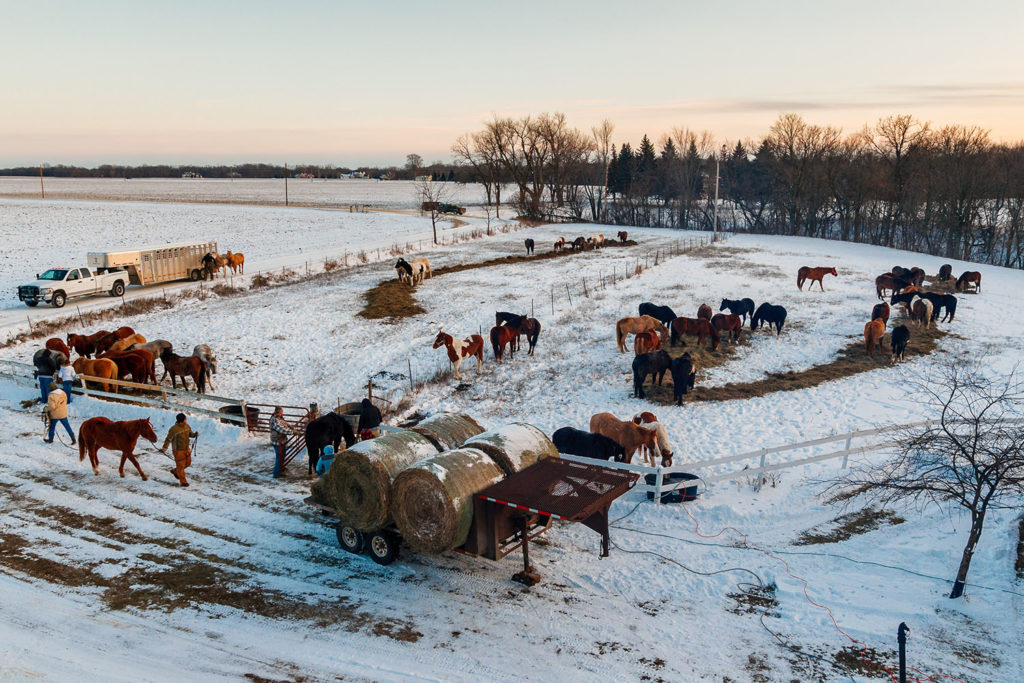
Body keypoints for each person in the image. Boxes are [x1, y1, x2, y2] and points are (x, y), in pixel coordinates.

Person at [159, 413, 198, 487]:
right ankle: (183, 481)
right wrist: (164, 448)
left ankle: (175, 471)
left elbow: (190, 434)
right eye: (185, 418)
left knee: (188, 463)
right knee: (180, 466)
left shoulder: (187, 426)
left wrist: (194, 435)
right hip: (178, 450)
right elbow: (168, 439)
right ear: (182, 420)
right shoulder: (173, 429)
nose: (186, 420)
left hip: (186, 448)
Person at [270, 406, 299, 478]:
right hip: (277, 441)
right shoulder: (274, 420)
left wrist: (289, 426)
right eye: (279, 413)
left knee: (282, 456)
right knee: (279, 457)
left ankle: (281, 469)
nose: (280, 414)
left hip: (281, 441)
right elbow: (281, 429)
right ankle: (276, 474)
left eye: (280, 413)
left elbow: (284, 424)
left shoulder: (279, 418)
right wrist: (293, 432)